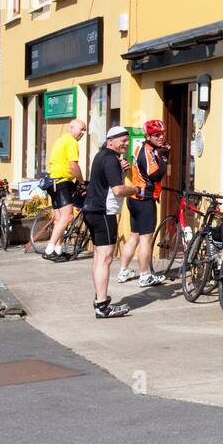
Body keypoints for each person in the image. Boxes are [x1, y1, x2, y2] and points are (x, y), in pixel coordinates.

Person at [84, 126, 138, 319]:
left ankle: (100, 298)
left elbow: (106, 183)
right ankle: (102, 306)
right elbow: (117, 190)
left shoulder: (101, 156)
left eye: (127, 139)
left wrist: (121, 171)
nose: (126, 142)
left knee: (99, 257)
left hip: (91, 210)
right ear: (110, 141)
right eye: (122, 139)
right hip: (103, 213)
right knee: (106, 258)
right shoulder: (110, 160)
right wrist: (136, 190)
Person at [116, 119, 171, 286]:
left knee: (134, 237)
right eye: (156, 135)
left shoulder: (143, 147)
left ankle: (124, 271)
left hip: (134, 199)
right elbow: (155, 175)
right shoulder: (147, 152)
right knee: (146, 239)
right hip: (144, 199)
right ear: (148, 136)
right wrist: (164, 159)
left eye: (162, 134)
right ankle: (144, 275)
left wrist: (160, 154)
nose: (160, 137)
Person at [43, 118, 87, 260]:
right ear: (71, 128)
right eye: (81, 129)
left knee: (59, 219)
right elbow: (73, 166)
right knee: (67, 217)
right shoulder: (71, 142)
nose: (83, 132)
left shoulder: (61, 140)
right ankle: (49, 250)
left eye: (85, 130)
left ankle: (58, 249)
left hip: (52, 182)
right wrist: (81, 182)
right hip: (62, 182)